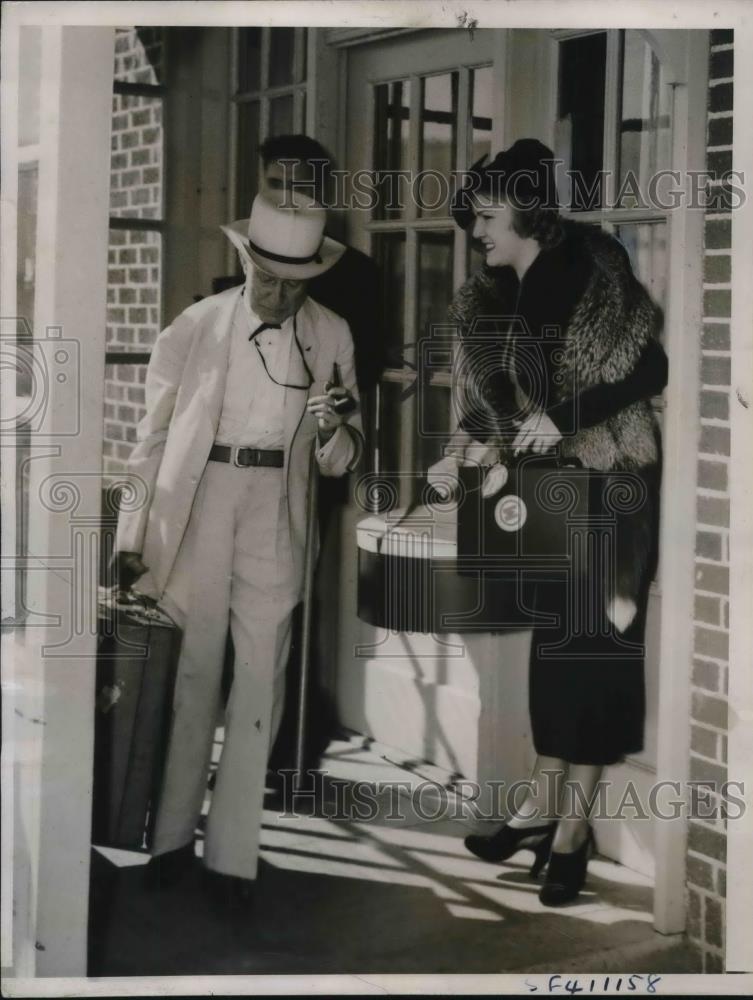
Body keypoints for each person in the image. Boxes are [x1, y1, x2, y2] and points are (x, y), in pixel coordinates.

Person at [111, 190, 364, 903]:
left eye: (295, 284)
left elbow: (340, 460)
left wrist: (334, 425)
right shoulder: (196, 326)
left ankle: (231, 858)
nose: (280, 296)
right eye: (267, 280)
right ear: (244, 263)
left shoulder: (332, 335)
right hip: (196, 505)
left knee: (261, 680)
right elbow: (151, 436)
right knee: (192, 677)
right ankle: (167, 843)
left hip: (275, 514)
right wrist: (131, 535)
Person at [443, 139, 668, 905]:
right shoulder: (493, 294)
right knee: (556, 654)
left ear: (527, 212)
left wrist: (563, 418)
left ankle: (567, 832)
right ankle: (543, 813)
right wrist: (472, 439)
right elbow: (503, 399)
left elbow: (651, 371)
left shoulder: (593, 273)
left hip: (613, 486)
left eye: (487, 211)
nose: (475, 226)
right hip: (545, 492)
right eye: (472, 212)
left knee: (596, 656)